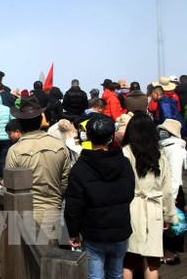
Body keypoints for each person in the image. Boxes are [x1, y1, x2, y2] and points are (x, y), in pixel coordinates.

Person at [64, 114, 135, 279]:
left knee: (94, 276)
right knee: (116, 274)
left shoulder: (81, 168)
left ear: (87, 136)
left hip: (94, 231)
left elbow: (74, 204)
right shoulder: (123, 162)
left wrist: (73, 232)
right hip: (120, 227)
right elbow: (130, 193)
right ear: (111, 137)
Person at [6, 96, 71, 244]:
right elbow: (65, 181)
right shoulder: (60, 146)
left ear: (20, 123)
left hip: (25, 212)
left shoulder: (15, 150)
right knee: (51, 259)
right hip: (53, 209)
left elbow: (9, 188)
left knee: (26, 262)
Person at [121, 112, 178, 279]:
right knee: (152, 260)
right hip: (154, 207)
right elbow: (166, 189)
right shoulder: (159, 155)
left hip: (132, 207)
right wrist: (168, 214)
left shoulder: (125, 152)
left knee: (129, 259)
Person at [158, 119, 187, 265]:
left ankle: (171, 253)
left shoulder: (174, 147)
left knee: (172, 223)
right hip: (170, 190)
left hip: (173, 192)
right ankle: (170, 252)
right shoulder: (168, 146)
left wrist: (173, 196)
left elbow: (175, 175)